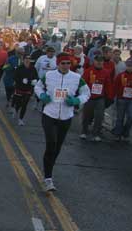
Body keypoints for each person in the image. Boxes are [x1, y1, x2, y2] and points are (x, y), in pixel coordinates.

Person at [35, 53, 91, 191]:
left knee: (57, 148)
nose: (66, 66)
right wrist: (42, 95)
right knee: (51, 144)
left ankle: (49, 171)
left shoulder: (77, 78)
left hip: (66, 117)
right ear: (58, 64)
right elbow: (38, 86)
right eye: (63, 63)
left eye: (68, 63)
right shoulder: (49, 76)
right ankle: (48, 179)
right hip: (49, 114)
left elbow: (86, 93)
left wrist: (77, 101)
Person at [80, 54, 113, 142]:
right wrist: (82, 95)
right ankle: (84, 131)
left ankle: (96, 133)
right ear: (94, 61)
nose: (99, 62)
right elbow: (83, 83)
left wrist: (110, 97)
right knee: (86, 115)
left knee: (99, 116)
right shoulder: (88, 71)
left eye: (101, 61)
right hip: (89, 97)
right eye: (97, 61)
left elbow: (108, 85)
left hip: (100, 98)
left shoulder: (106, 72)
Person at [111, 58, 132, 141]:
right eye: (128, 66)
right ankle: (117, 133)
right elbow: (115, 86)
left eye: (131, 66)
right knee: (120, 117)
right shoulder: (120, 75)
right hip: (121, 98)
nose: (130, 67)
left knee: (131, 117)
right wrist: (112, 97)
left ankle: (125, 132)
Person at [13, 54, 39, 126]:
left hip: (28, 89)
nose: (27, 60)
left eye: (29, 59)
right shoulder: (19, 68)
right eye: (26, 58)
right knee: (18, 103)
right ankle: (16, 109)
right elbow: (15, 77)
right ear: (23, 60)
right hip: (19, 88)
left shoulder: (33, 68)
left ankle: (21, 119)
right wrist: (21, 80)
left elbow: (36, 77)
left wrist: (35, 80)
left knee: (25, 104)